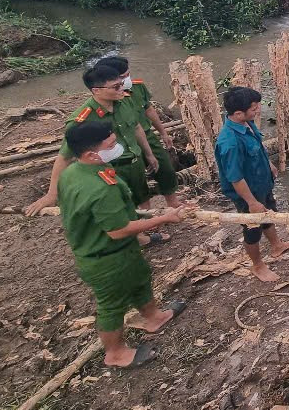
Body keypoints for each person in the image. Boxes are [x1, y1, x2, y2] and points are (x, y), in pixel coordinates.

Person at [56, 121, 190, 368]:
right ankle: (115, 353)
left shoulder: (74, 172)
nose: (117, 146)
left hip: (120, 251)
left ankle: (153, 317)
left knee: (140, 277)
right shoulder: (98, 188)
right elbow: (118, 230)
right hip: (106, 256)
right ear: (90, 154)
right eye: (111, 144)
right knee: (111, 305)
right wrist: (164, 218)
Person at [24, 65, 162, 237]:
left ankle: (148, 227)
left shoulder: (124, 101)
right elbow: (64, 157)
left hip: (134, 162)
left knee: (142, 195)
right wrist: (52, 193)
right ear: (96, 90)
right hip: (110, 170)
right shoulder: (82, 119)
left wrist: (149, 154)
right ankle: (137, 237)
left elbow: (136, 127)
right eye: (116, 86)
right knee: (121, 205)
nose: (123, 88)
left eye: (121, 83)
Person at [216, 86, 289, 283]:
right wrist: (251, 202)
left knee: (269, 212)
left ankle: (277, 245)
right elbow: (235, 177)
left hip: (261, 183)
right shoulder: (230, 142)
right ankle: (258, 265)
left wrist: (269, 164)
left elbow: (257, 147)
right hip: (247, 193)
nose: (258, 110)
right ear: (237, 113)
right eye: (254, 108)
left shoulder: (247, 124)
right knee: (252, 229)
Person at [95, 57, 180, 208]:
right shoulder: (105, 103)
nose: (127, 80)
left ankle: (173, 203)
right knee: (137, 180)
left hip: (146, 135)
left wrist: (163, 132)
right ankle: (145, 214)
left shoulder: (138, 87)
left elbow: (147, 111)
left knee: (165, 168)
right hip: (124, 143)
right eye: (122, 77)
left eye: (128, 74)